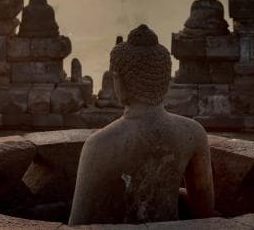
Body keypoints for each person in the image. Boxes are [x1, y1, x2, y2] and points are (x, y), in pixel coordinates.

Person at [69, 24, 214, 225]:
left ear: (119, 81)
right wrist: (166, 189)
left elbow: (78, 224)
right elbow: (205, 211)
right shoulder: (193, 133)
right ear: (165, 80)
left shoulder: (99, 145)